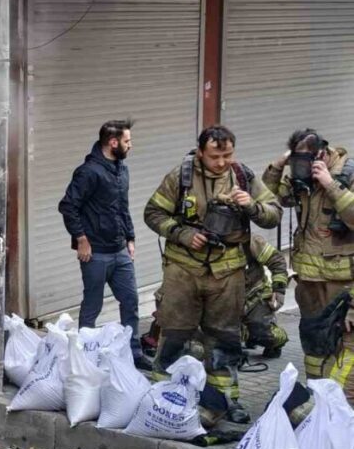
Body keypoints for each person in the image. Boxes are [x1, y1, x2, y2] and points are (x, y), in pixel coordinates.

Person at [144, 125, 281, 424]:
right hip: (183, 270)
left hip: (228, 272)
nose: (222, 162)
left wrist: (253, 206)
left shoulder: (242, 175)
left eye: (227, 155)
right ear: (201, 152)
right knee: (175, 335)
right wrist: (181, 233)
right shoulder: (179, 177)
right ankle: (162, 397)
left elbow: (274, 214)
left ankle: (225, 400)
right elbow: (153, 213)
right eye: (215, 156)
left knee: (224, 339)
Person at [263, 129, 354, 401]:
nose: (300, 169)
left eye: (305, 161)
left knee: (346, 350)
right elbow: (267, 200)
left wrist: (331, 185)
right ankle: (318, 403)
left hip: (343, 285)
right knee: (314, 348)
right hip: (309, 282)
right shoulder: (302, 180)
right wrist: (278, 166)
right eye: (296, 162)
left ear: (322, 154)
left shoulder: (346, 175)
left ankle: (343, 409)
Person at [58, 119, 150, 370]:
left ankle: (133, 353)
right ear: (113, 142)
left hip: (119, 250)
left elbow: (122, 206)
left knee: (130, 301)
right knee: (92, 306)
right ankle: (83, 356)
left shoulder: (121, 169)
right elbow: (68, 206)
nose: (131, 145)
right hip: (96, 254)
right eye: (127, 141)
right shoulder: (88, 172)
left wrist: (130, 238)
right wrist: (81, 240)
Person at [144, 233, 289, 359]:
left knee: (262, 334)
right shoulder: (192, 247)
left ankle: (276, 340)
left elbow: (277, 260)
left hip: (252, 298)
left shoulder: (249, 241)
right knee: (201, 347)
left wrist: (279, 289)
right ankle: (241, 335)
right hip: (219, 302)